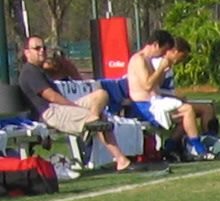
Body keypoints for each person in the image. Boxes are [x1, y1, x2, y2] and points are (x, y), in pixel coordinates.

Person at [14, 36, 132, 172]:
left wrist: (77, 107)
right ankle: (121, 160)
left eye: (44, 48)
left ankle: (91, 122)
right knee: (100, 118)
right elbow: (51, 97)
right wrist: (74, 107)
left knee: (101, 94)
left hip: (61, 108)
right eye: (37, 48)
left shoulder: (40, 70)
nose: (42, 51)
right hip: (49, 113)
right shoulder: (29, 72)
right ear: (27, 52)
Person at [125, 30, 211, 157]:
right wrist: (160, 68)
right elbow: (147, 86)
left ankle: (170, 148)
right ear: (155, 45)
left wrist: (164, 69)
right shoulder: (138, 60)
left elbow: (156, 85)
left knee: (187, 112)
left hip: (154, 102)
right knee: (187, 110)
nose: (164, 54)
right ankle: (198, 149)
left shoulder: (148, 60)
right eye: (163, 50)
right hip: (143, 106)